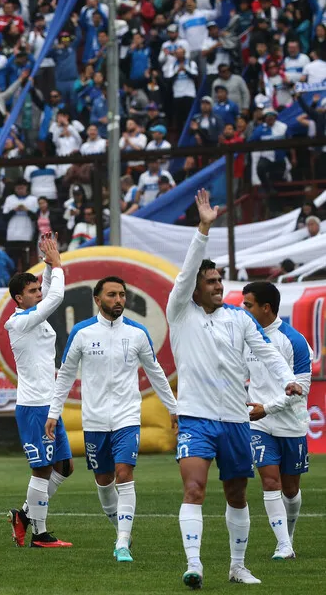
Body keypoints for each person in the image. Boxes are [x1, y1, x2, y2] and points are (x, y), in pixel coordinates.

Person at [168, 190, 302, 589]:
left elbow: (266, 352)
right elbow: (187, 269)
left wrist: (287, 379)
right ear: (194, 286)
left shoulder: (238, 320)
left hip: (236, 420)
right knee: (193, 488)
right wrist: (203, 229)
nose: (217, 285)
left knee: (237, 494)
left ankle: (237, 566)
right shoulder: (179, 311)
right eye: (209, 280)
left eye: (219, 279)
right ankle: (194, 565)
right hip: (195, 417)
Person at [46, 276, 178, 563]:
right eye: (112, 295)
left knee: (124, 474)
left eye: (122, 294)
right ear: (97, 299)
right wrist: (53, 413)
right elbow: (66, 374)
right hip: (93, 420)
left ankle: (121, 544)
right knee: (103, 480)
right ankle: (122, 531)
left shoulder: (138, 333)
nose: (118, 300)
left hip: (127, 417)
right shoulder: (81, 333)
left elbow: (156, 373)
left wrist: (173, 408)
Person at [4, 233, 73, 549]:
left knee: (65, 467)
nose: (39, 293)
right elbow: (55, 297)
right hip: (33, 406)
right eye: (32, 291)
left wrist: (47, 265)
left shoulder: (31, 315)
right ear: (19, 299)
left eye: (38, 288)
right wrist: (58, 265)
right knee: (43, 469)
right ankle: (39, 534)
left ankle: (24, 515)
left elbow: (47, 293)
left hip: (49, 404)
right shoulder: (21, 322)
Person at [241, 282, 313, 560]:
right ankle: (283, 546)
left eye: (248, 305)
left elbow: (301, 390)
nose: (243, 310)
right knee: (270, 482)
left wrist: (267, 408)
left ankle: (289, 537)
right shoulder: (247, 338)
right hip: (259, 425)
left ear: (266, 308)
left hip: (291, 424)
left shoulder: (294, 341)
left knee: (291, 490)